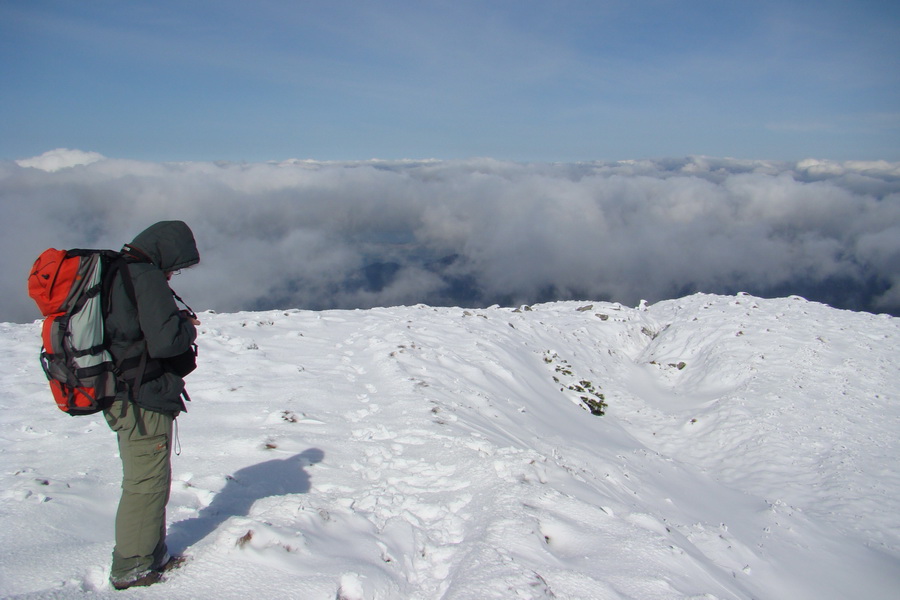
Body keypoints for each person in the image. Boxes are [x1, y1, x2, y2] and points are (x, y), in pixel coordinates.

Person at [102, 220, 200, 590]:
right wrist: (187, 326)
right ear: (165, 251)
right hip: (141, 395)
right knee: (146, 482)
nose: (174, 272)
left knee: (147, 477)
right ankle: (133, 567)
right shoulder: (146, 277)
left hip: (120, 391)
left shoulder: (118, 270)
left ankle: (148, 554)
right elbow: (165, 342)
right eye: (176, 264)